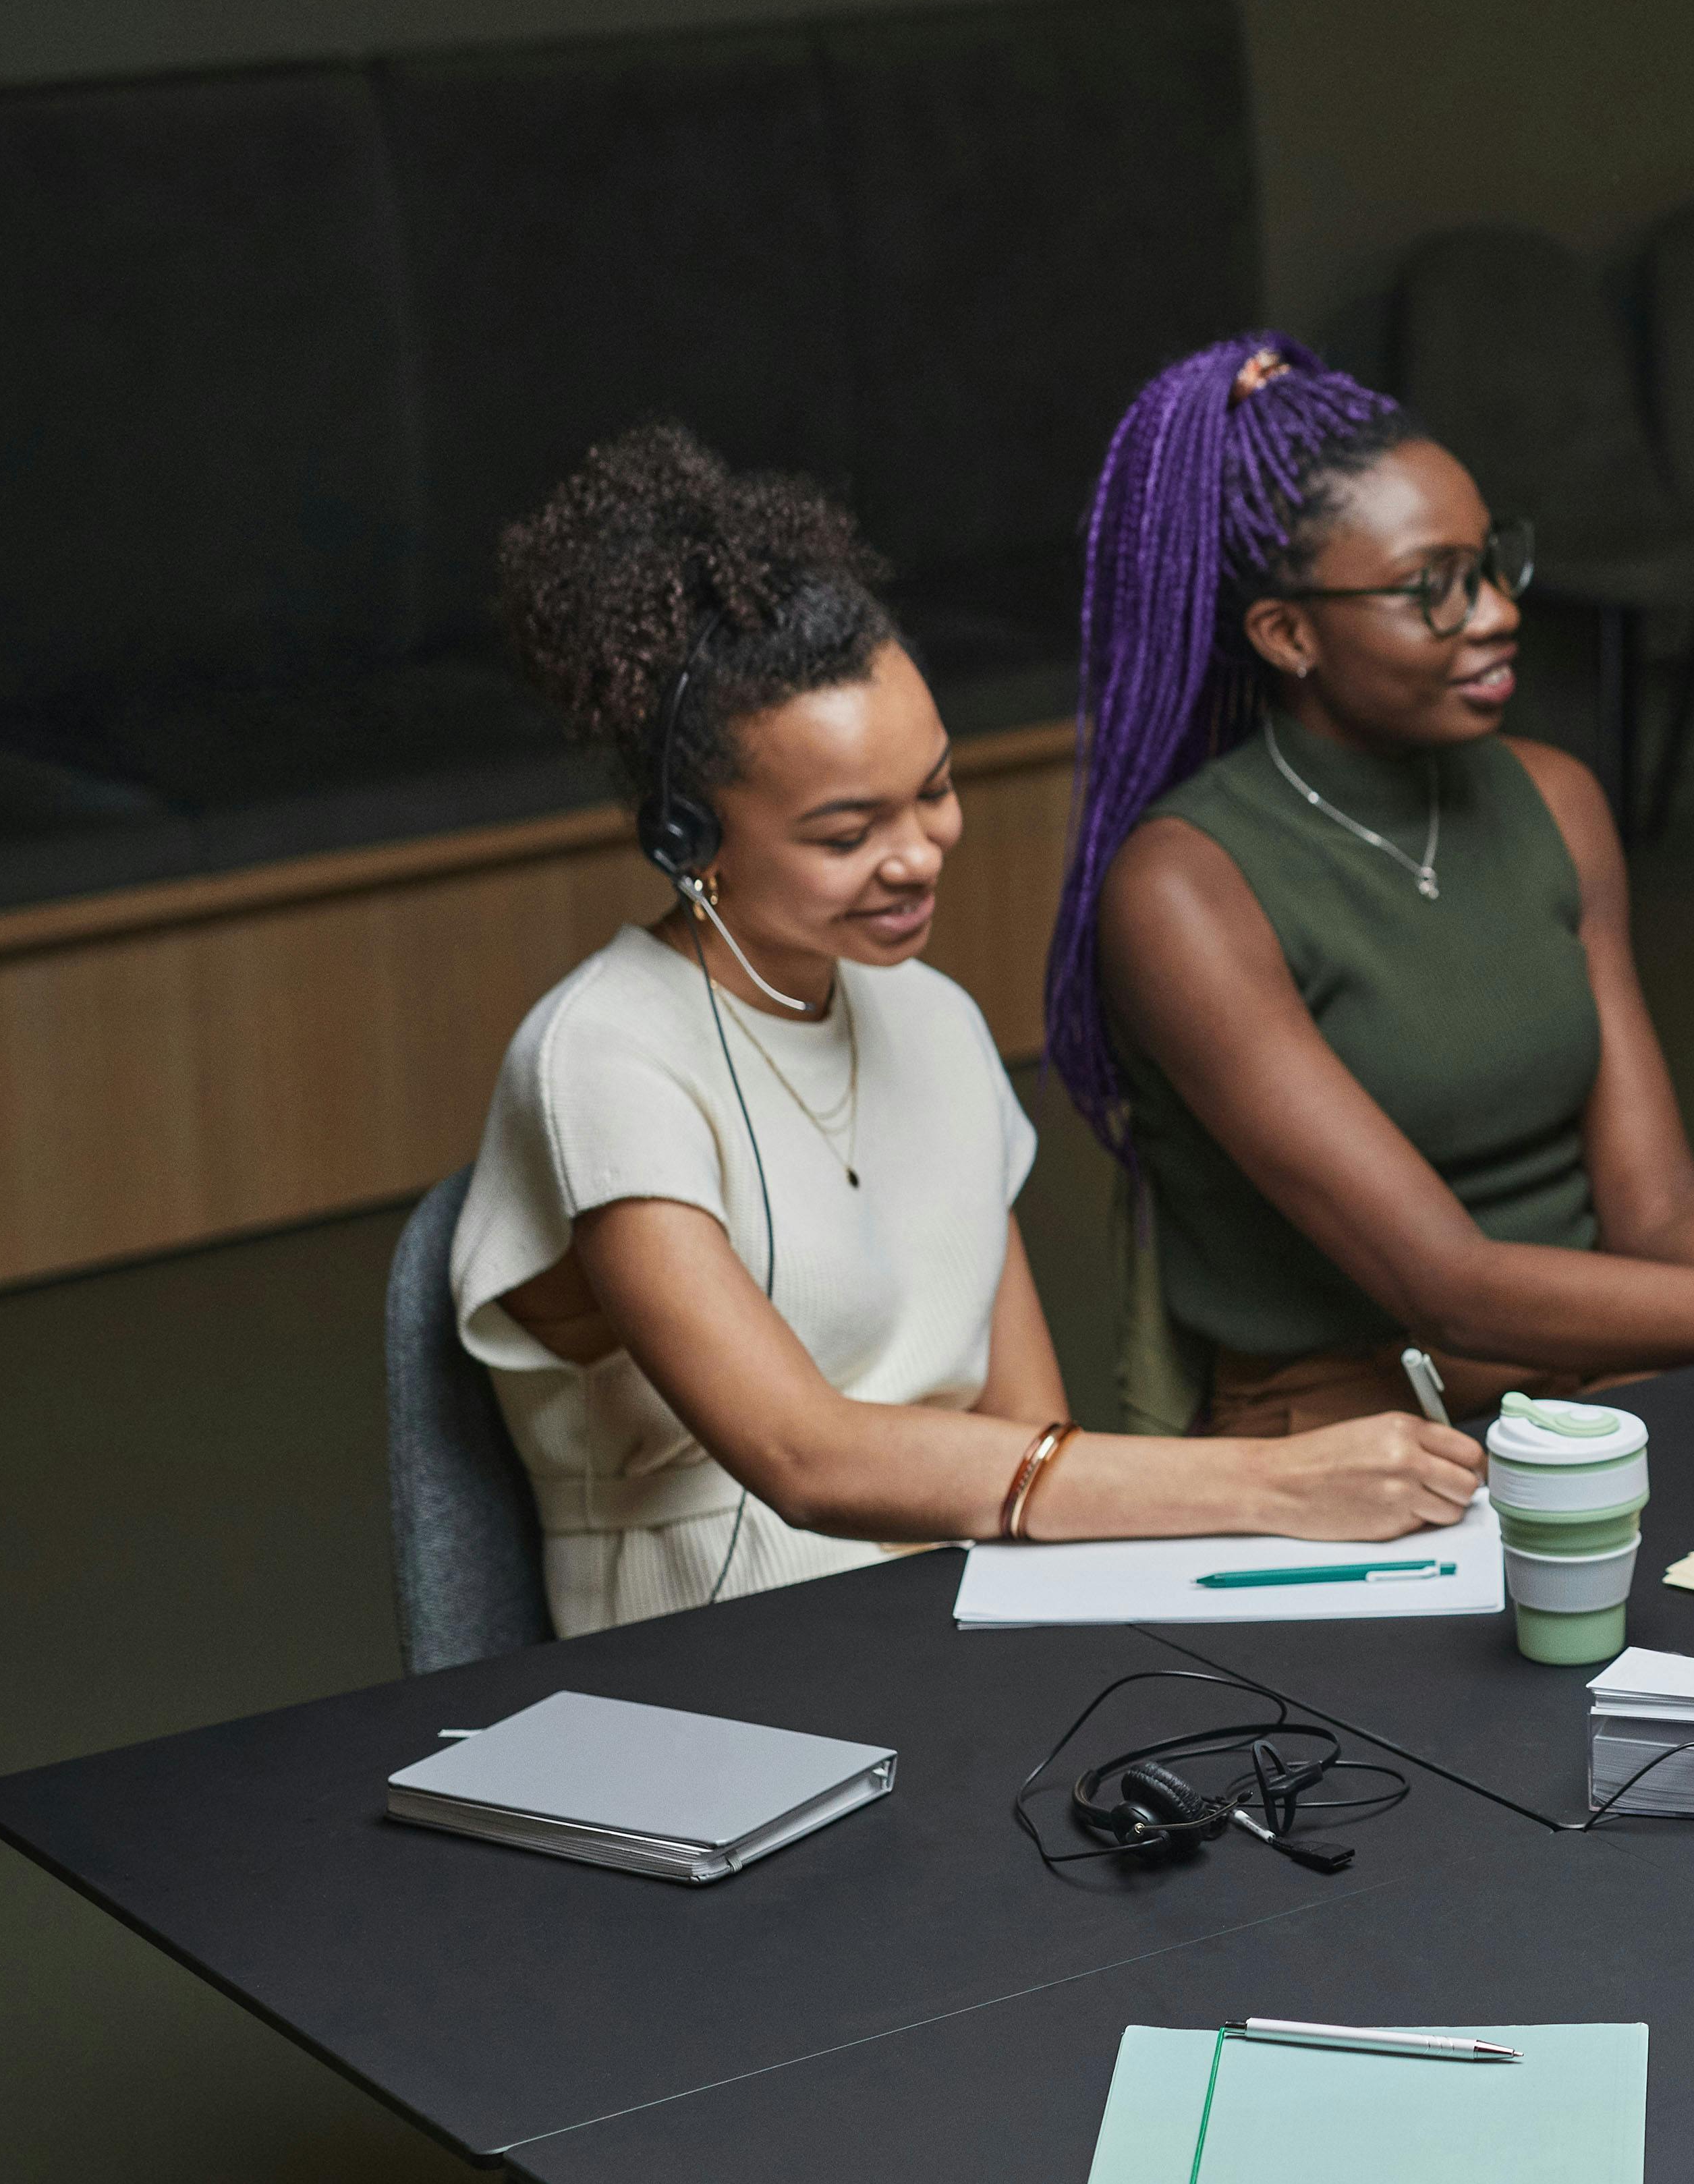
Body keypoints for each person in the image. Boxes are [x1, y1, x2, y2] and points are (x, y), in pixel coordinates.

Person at [457, 428, 1486, 1636]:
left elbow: (1027, 1441)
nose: (918, 855)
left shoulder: (932, 1017)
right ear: (686, 838)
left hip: (966, 1611)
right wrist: (1273, 1481)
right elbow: (805, 1458)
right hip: (719, 1659)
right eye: (847, 834)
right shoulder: (603, 1055)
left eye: (935, 791)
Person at [1050, 339, 1694, 1435]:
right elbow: (1450, 1288)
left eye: (1492, 563)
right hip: (1357, 1430)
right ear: (1288, 635)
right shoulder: (1187, 888)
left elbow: (1660, 1214)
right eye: (1434, 589)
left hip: (1604, 1375)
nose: (1495, 613)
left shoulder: (1553, 799)